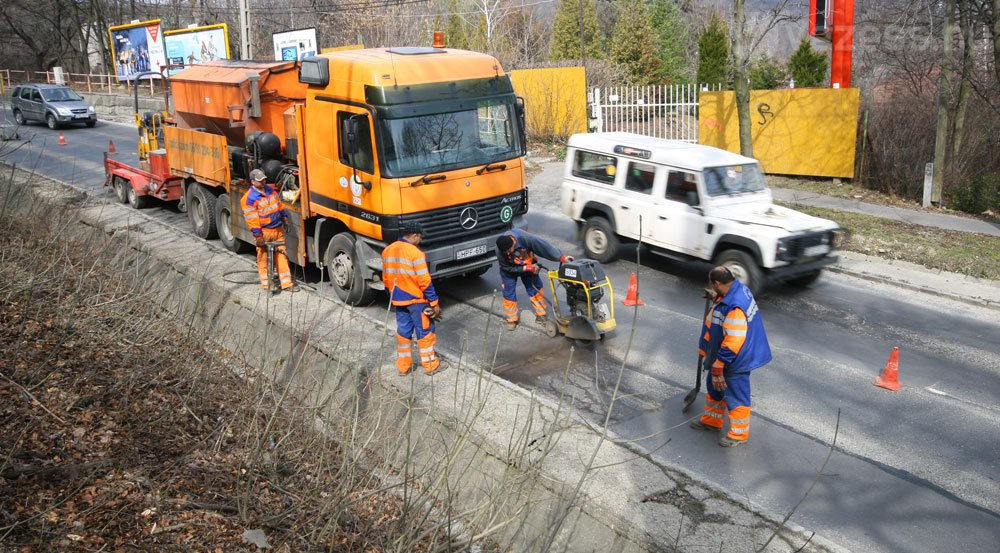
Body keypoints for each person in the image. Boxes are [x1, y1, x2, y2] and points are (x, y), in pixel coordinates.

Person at [691, 266, 772, 447]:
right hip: (725, 353)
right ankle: (712, 421)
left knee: (736, 393)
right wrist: (716, 297)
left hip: (736, 358)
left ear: (718, 283)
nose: (710, 286)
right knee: (714, 387)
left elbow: (734, 341)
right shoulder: (736, 289)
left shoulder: (735, 306)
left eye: (712, 284)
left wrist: (719, 364)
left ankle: (738, 434)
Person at [382, 222, 443, 375]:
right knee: (425, 332)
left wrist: (392, 297)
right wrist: (434, 303)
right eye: (420, 238)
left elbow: (386, 279)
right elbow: (424, 281)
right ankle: (431, 366)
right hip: (416, 301)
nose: (420, 241)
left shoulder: (387, 251)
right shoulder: (416, 253)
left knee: (403, 333)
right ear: (415, 235)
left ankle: (403, 367)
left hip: (398, 299)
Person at [495, 229, 572, 331]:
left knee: (535, 289)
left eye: (510, 250)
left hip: (529, 264)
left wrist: (560, 257)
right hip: (509, 272)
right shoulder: (499, 250)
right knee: (509, 293)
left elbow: (544, 247)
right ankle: (511, 319)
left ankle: (541, 316)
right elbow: (507, 268)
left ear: (513, 242)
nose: (509, 253)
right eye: (506, 252)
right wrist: (525, 268)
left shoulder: (525, 238)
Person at [241, 169, 297, 293]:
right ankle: (267, 285)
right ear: (253, 182)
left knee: (281, 255)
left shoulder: (271, 191)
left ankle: (287, 283)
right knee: (263, 258)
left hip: (277, 229)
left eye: (264, 179)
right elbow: (252, 220)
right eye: (260, 180)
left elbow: (279, 206)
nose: (263, 182)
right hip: (264, 232)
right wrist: (258, 236)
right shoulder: (249, 199)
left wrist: (285, 219)